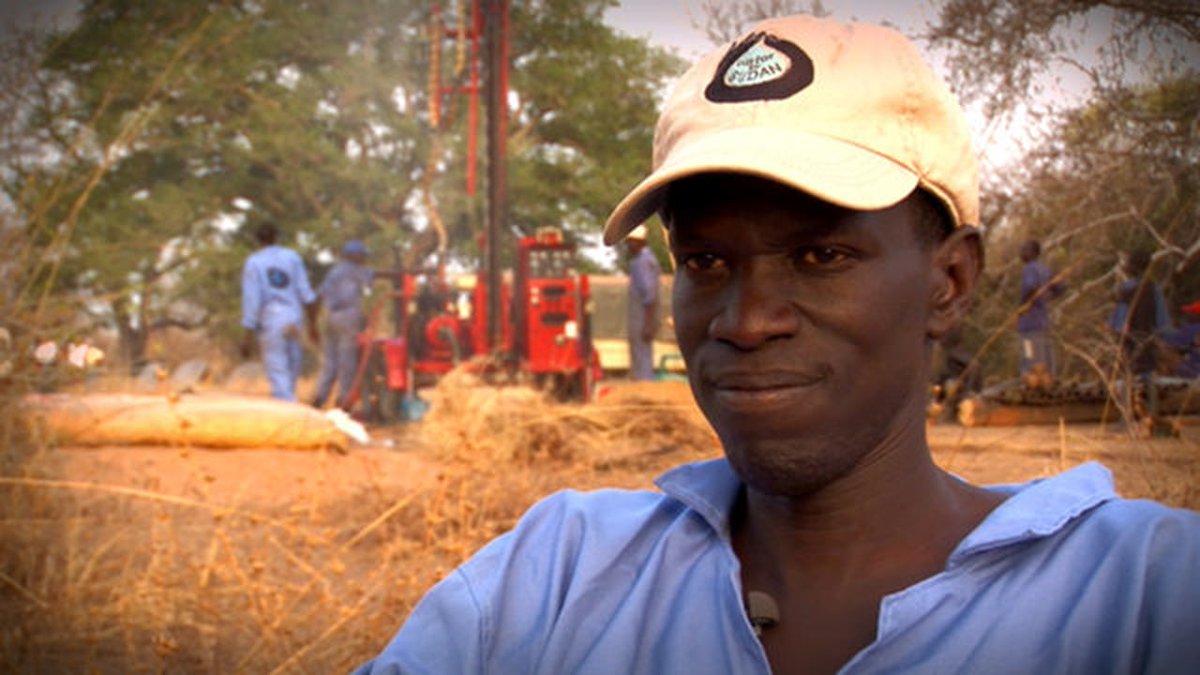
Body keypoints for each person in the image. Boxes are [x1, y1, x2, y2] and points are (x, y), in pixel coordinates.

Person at [356, 15, 1200, 674]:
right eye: (707, 260)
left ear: (949, 280)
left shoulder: (1144, 596)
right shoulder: (553, 580)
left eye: (820, 254)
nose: (748, 319)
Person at [240, 220, 318, 402]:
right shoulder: (292, 257)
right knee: (292, 368)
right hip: (293, 317)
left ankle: (287, 408)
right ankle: (290, 401)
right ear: (276, 237)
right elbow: (307, 294)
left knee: (277, 369)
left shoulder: (254, 262)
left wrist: (248, 334)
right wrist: (313, 325)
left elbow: (252, 299)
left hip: (271, 318)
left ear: (256, 240)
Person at [312, 239, 374, 410]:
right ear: (353, 256)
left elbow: (318, 296)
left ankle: (319, 397)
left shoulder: (334, 272)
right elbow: (371, 279)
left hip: (331, 318)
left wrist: (313, 323)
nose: (364, 259)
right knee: (347, 363)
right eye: (362, 256)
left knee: (330, 362)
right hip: (348, 317)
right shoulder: (357, 271)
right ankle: (344, 401)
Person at [1015, 239, 1064, 382]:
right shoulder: (1044, 269)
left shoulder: (1029, 269)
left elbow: (1030, 287)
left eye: (1024, 250)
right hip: (1043, 321)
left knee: (1029, 356)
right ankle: (1047, 378)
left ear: (1033, 252)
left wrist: (1026, 304)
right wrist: (1047, 297)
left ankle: (1030, 380)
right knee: (1044, 356)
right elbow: (1061, 287)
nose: (1021, 253)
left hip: (1029, 322)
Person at [625, 223, 661, 380]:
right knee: (642, 355)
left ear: (639, 241)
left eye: (630, 241)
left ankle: (645, 387)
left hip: (642, 317)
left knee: (641, 357)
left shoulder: (641, 263)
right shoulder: (649, 260)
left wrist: (647, 323)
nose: (628, 246)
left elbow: (649, 295)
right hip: (644, 316)